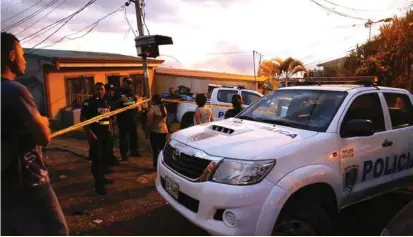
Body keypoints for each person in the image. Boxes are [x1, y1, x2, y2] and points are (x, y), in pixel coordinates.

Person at [1, 32, 69, 235]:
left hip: (5, 183)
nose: (25, 60)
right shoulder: (15, 90)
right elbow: (43, 137)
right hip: (30, 182)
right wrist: (43, 122)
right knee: (56, 231)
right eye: (22, 55)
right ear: (12, 55)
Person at [80, 82, 114, 195]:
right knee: (97, 159)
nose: (100, 91)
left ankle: (102, 177)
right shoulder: (89, 103)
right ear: (93, 90)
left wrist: (110, 128)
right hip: (95, 135)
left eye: (102, 89)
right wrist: (90, 134)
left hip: (105, 134)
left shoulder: (106, 102)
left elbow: (108, 118)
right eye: (97, 89)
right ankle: (98, 186)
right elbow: (84, 120)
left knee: (104, 157)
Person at [113, 77, 142, 161]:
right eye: (127, 83)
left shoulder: (131, 91)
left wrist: (134, 100)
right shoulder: (118, 91)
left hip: (132, 116)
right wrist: (127, 100)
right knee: (123, 137)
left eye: (130, 83)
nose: (129, 85)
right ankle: (124, 154)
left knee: (133, 134)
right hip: (123, 117)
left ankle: (134, 151)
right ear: (123, 82)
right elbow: (117, 103)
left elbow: (133, 101)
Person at [147, 94, 168, 169]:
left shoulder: (152, 110)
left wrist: (148, 130)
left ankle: (156, 165)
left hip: (155, 131)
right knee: (162, 149)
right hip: (164, 130)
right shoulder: (164, 108)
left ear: (154, 101)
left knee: (155, 150)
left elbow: (150, 122)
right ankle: (163, 165)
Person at [104, 83, 120, 166]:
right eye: (109, 90)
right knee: (108, 142)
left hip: (111, 124)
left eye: (112, 90)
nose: (111, 92)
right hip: (105, 125)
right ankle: (108, 159)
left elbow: (113, 112)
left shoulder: (111, 99)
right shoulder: (104, 100)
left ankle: (110, 157)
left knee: (111, 141)